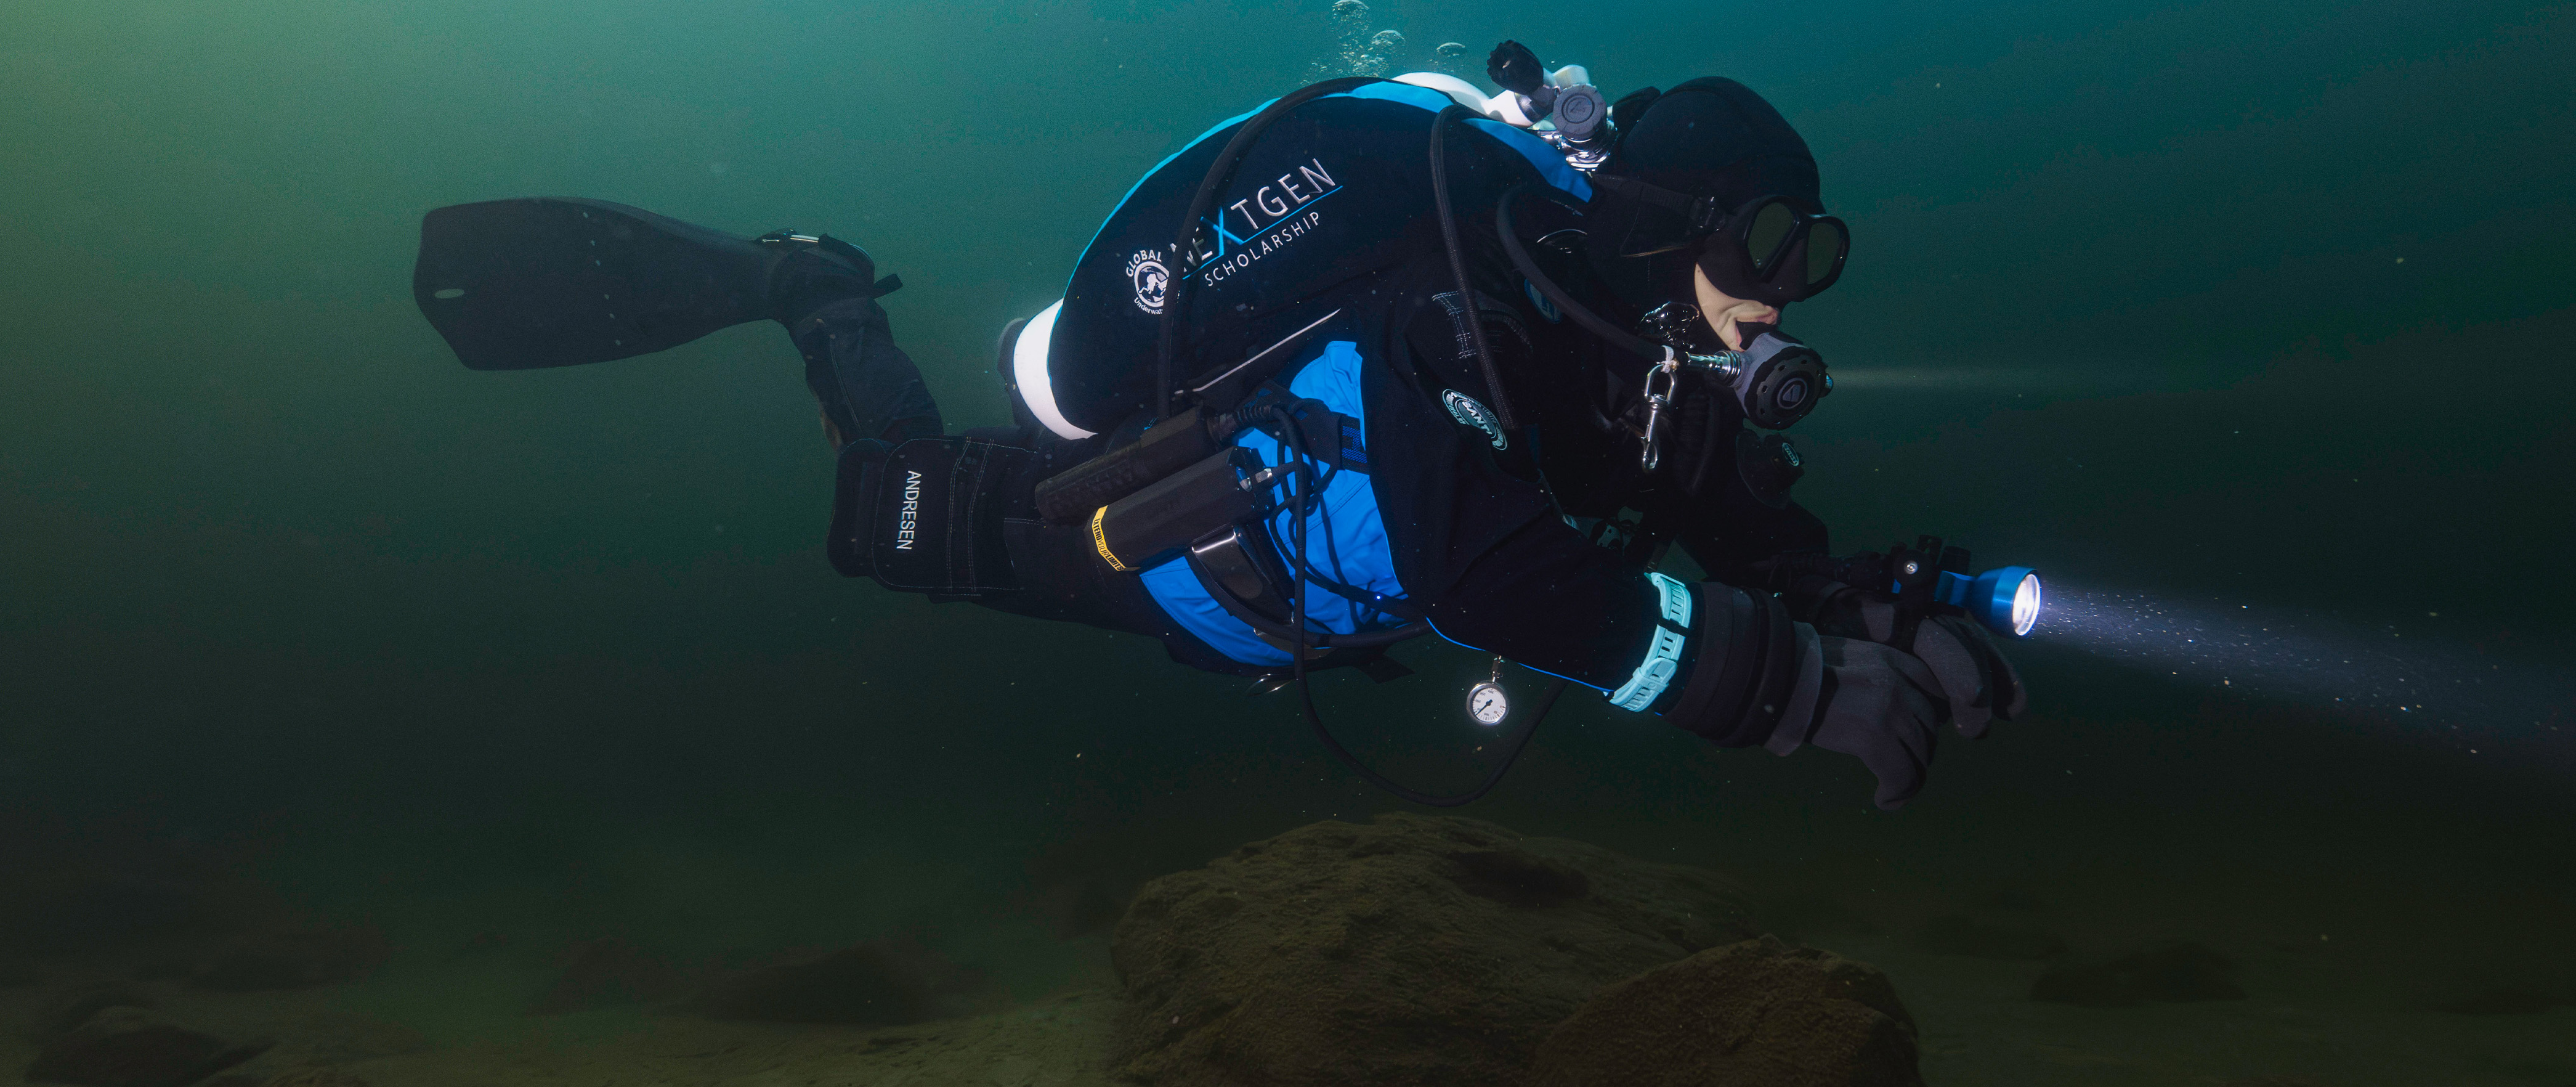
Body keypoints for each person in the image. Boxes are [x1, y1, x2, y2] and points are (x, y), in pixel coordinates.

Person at [766, 45, 2028, 810]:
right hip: (1140, 534)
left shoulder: (1648, 367)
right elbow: (1473, 574)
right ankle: (823, 299)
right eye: (1765, 241)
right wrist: (1780, 685)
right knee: (892, 512)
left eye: (1815, 253)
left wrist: (1858, 600)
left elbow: (1740, 528)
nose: (1783, 293)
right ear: (1668, 226)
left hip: (1270, 614)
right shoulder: (1460, 308)